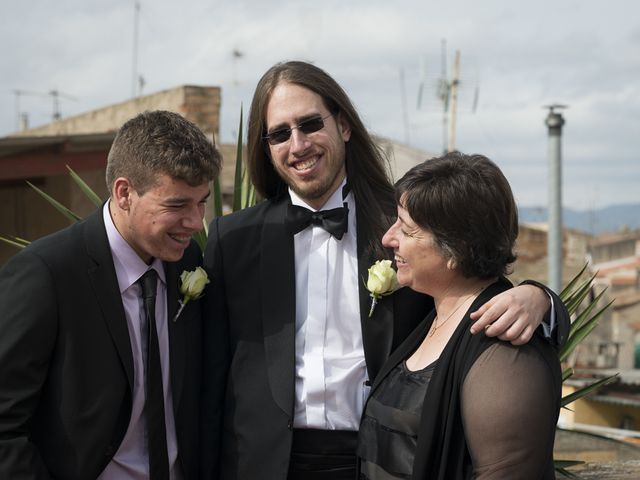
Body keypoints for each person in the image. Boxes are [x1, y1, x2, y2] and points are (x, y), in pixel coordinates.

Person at [201, 61, 568, 480]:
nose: (298, 144)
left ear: (343, 125)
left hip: (377, 461)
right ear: (266, 147)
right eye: (280, 133)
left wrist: (541, 298)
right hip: (260, 467)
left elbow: (474, 287)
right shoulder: (231, 240)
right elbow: (206, 374)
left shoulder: (404, 229)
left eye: (309, 124)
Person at [0, 110, 221, 479]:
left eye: (202, 202)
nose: (196, 222)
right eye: (177, 205)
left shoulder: (188, 261)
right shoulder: (45, 274)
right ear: (124, 194)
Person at [357, 152, 562, 479]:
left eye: (407, 231)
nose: (388, 239)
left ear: (457, 248)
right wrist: (543, 296)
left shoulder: (504, 347)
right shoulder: (430, 312)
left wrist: (541, 299)